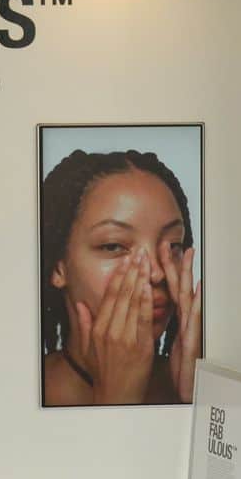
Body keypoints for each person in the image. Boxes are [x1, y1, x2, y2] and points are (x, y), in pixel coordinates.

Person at [40, 148, 202, 407]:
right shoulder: (21, 392)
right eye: (113, 246)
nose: (156, 273)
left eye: (173, 246)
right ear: (59, 268)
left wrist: (197, 400)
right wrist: (117, 401)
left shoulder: (194, 387)